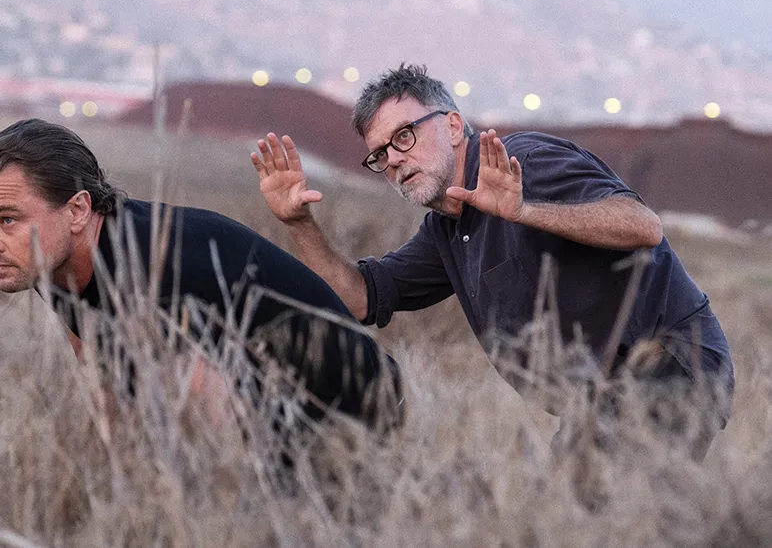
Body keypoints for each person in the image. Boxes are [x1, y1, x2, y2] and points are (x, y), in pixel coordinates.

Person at [251, 63, 734, 458]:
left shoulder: (522, 161)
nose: (393, 159)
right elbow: (359, 299)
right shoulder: (444, 229)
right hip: (595, 404)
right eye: (379, 154)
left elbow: (643, 226)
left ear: (452, 126)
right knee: (562, 514)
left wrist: (524, 211)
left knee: (600, 512)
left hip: (670, 363)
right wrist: (299, 223)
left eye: (404, 136)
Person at [0, 118, 402, 434]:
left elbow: (209, 429)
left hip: (358, 419)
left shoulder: (154, 262)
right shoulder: (55, 260)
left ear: (78, 209)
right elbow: (102, 385)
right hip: (265, 412)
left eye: (7, 220)